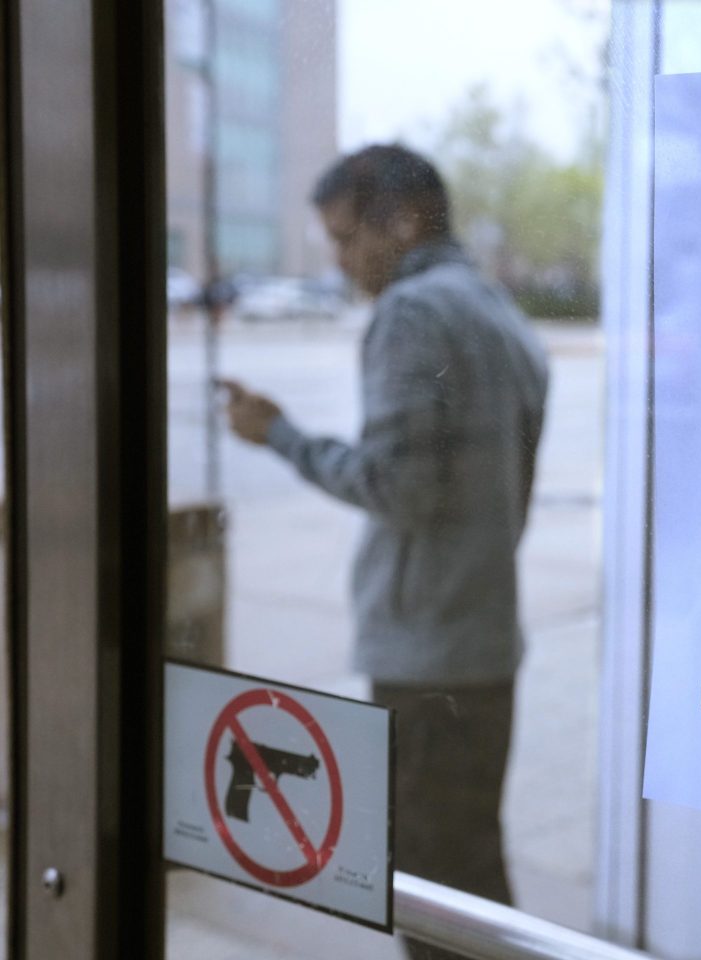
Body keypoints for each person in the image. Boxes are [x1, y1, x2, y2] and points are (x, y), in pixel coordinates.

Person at [220, 144, 548, 956]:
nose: (338, 260)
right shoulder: (498, 310)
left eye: (342, 237)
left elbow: (397, 487)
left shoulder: (412, 314)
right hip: (483, 641)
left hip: (426, 656)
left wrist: (280, 435)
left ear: (399, 222)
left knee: (433, 900)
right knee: (473, 886)